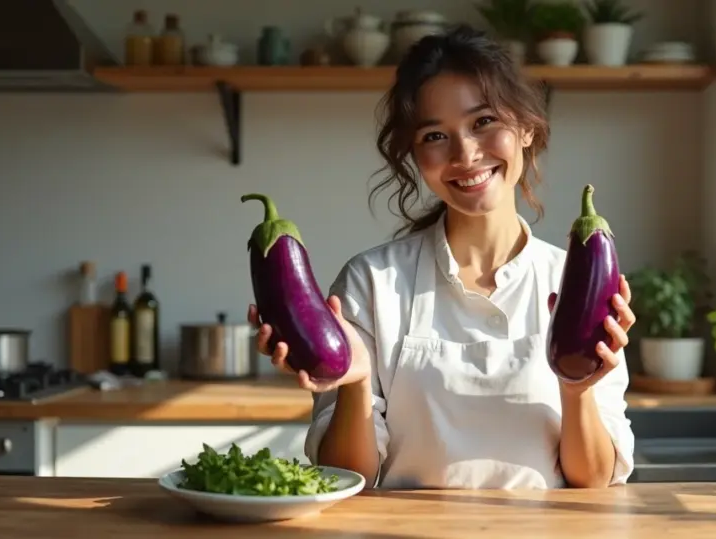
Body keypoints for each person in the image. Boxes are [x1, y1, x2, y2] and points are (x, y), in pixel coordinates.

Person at [248, 25, 636, 490]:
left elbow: (593, 481)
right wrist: (355, 381)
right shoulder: (371, 282)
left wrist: (577, 390)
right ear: (414, 155)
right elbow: (348, 479)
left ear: (526, 128)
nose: (466, 154)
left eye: (484, 122)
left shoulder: (578, 282)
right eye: (435, 135)